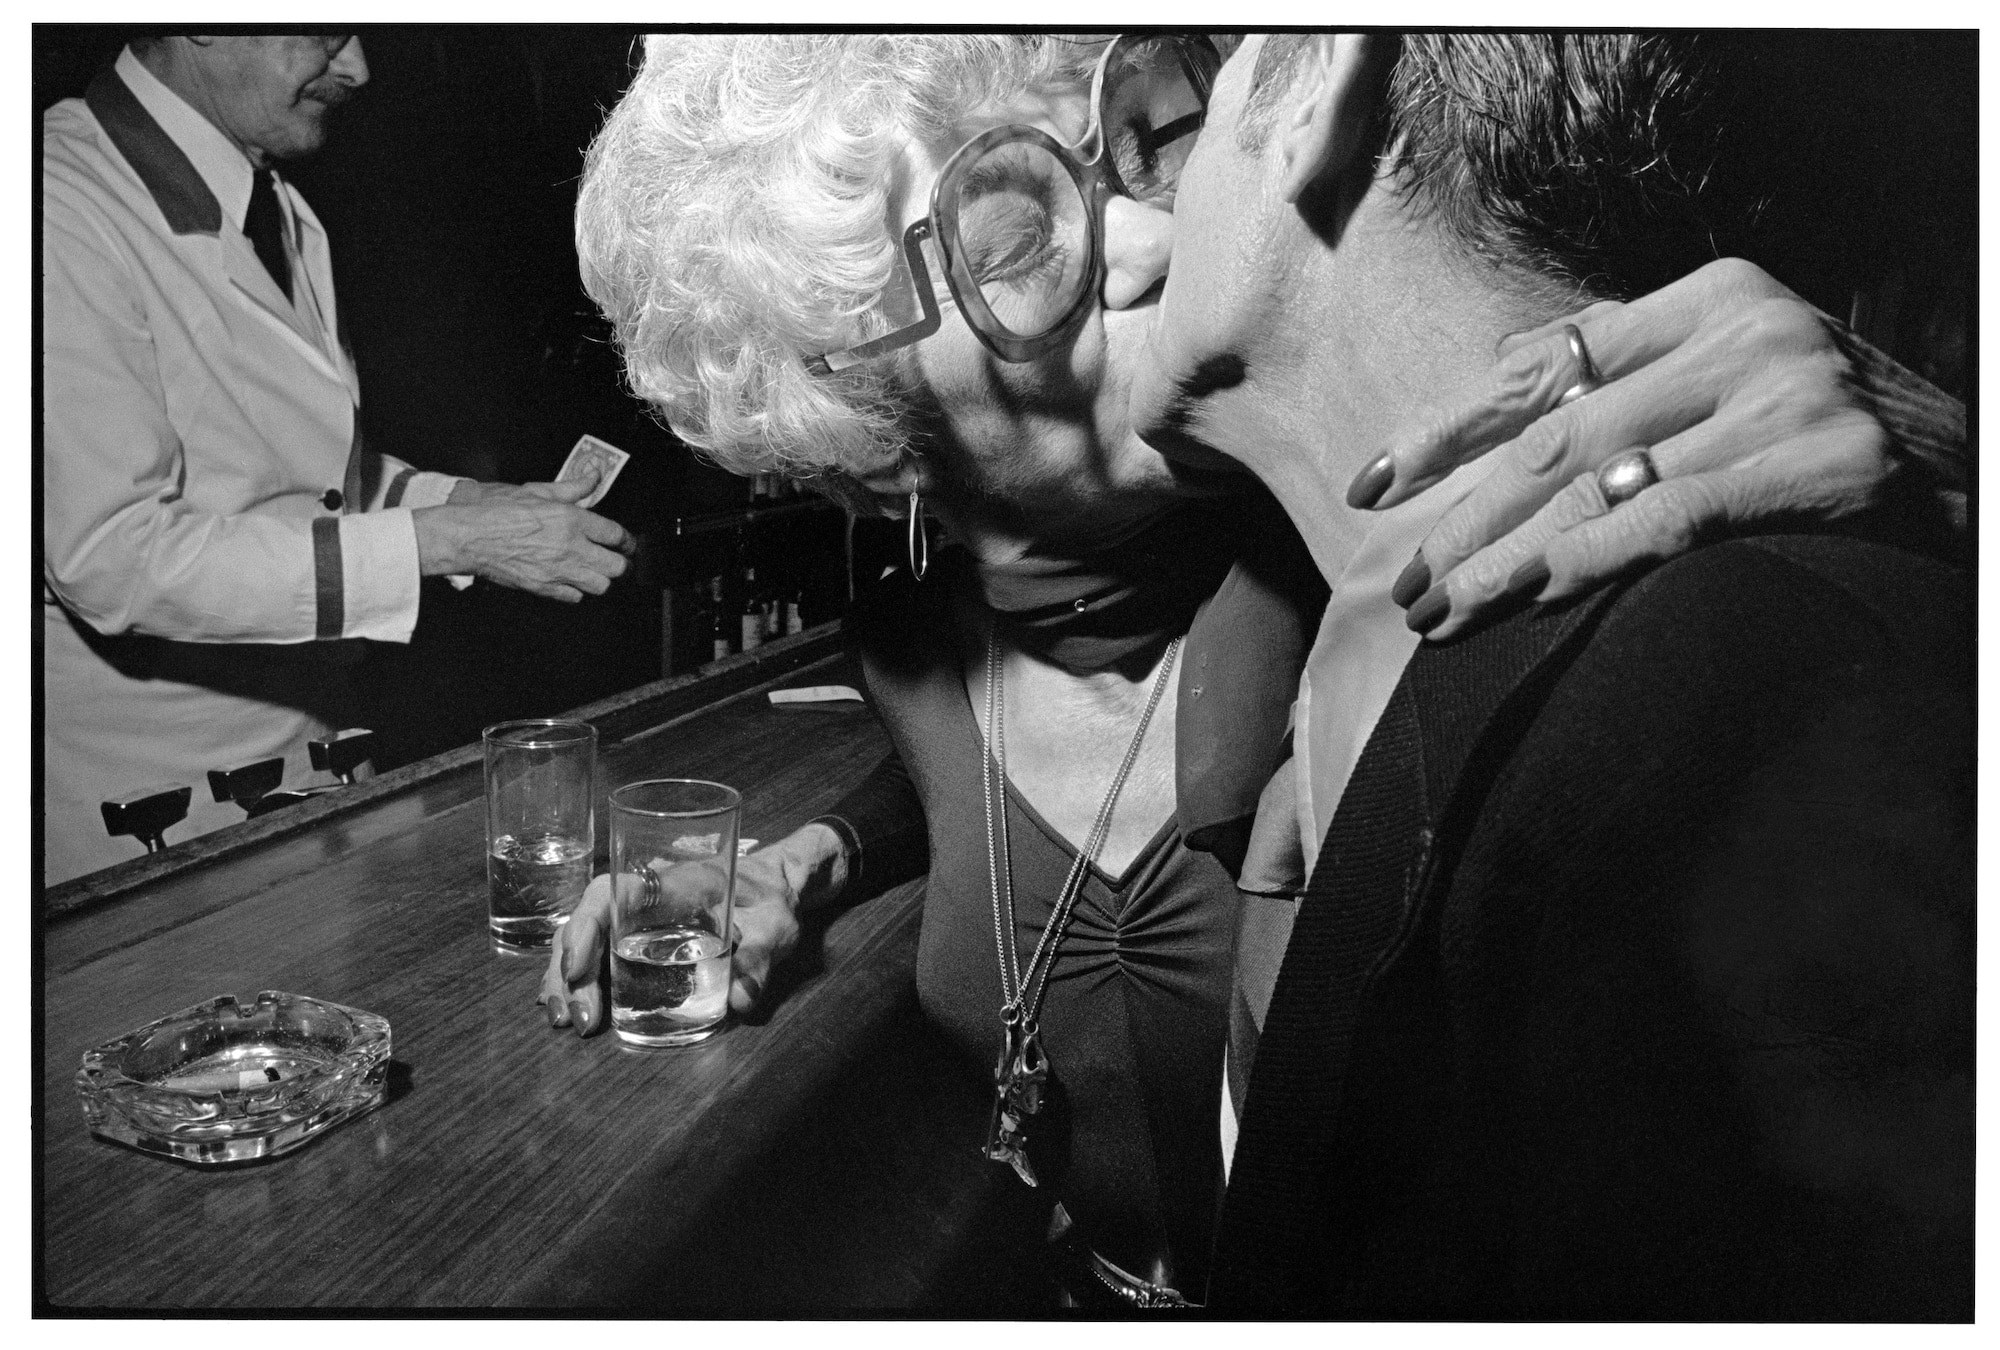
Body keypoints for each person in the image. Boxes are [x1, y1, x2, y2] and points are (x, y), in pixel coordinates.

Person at [553, 35, 1967, 1309]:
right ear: (875, 438)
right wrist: (813, 854)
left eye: (1127, 161)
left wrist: (1949, 462)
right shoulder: (916, 655)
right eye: (1013, 240)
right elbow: (978, 762)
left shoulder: (1367, 552)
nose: (1146, 240)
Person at [1130, 33, 1972, 1317]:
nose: (1133, 234)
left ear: (1311, 83)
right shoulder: (1371, 655)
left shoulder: (1710, 710)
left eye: (1166, 140)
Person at [42, 34, 636, 883]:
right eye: (325, 29)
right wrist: (449, 544)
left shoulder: (275, 200)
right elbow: (109, 558)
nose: (357, 69)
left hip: (315, 763)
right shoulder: (55, 203)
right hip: (148, 819)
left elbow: (307, 481)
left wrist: (470, 502)